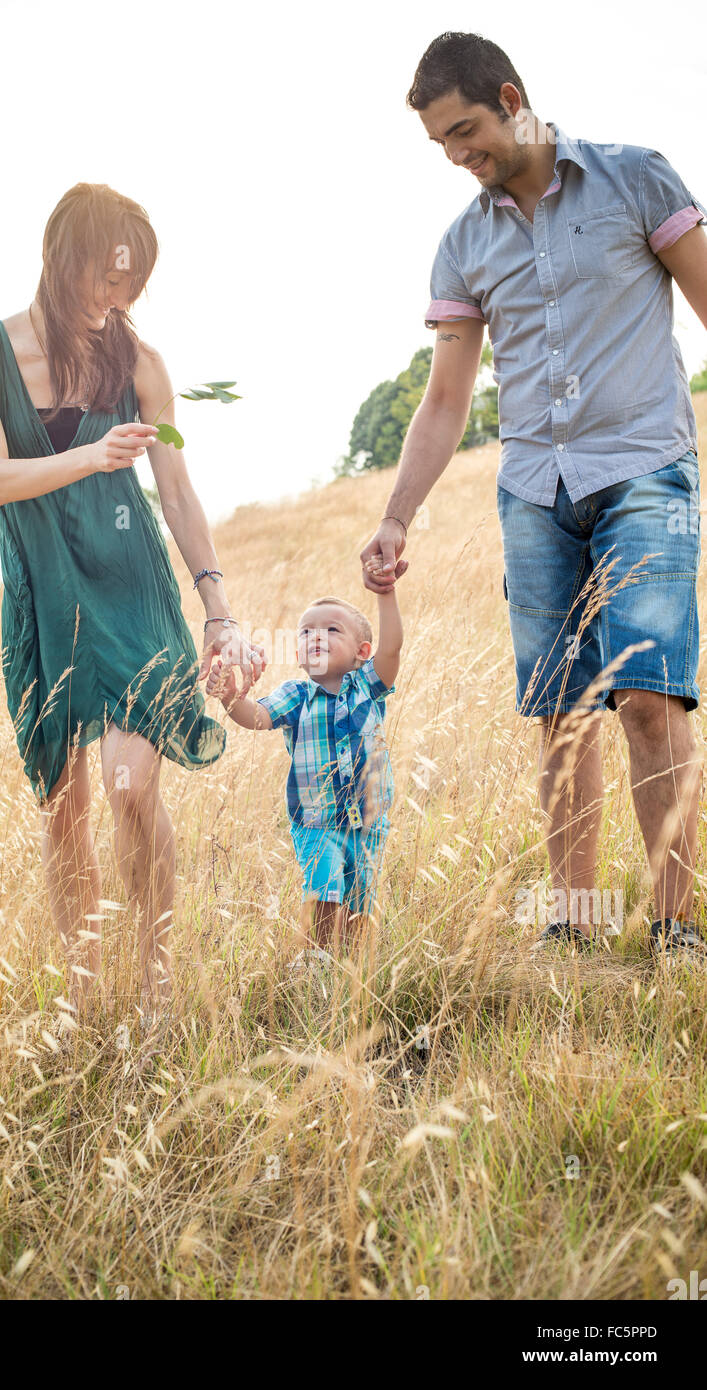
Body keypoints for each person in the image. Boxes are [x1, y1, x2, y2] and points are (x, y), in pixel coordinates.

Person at [361, 32, 707, 959]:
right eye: (441, 145)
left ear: (511, 97)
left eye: (466, 132)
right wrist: (396, 513)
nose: (458, 158)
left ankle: (676, 928)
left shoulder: (637, 181)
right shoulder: (463, 244)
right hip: (532, 494)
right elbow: (444, 400)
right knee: (560, 711)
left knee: (646, 698)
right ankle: (575, 923)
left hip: (643, 472)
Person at [0, 182, 265, 1033]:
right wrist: (92, 455)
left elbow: (176, 492)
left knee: (130, 787)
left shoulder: (143, 365)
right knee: (64, 809)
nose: (114, 298)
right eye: (104, 276)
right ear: (62, 257)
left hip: (131, 589)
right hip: (44, 597)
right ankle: (84, 993)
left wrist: (220, 610)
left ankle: (157, 982)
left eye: (129, 284)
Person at [205, 591, 402, 958]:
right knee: (325, 891)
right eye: (306, 632)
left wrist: (386, 594)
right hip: (316, 822)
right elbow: (257, 717)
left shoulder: (368, 687)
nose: (316, 636)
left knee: (360, 900)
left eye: (331, 629)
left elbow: (391, 650)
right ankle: (315, 961)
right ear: (297, 654)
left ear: (361, 652)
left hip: (368, 823)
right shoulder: (296, 695)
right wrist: (231, 696)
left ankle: (352, 965)